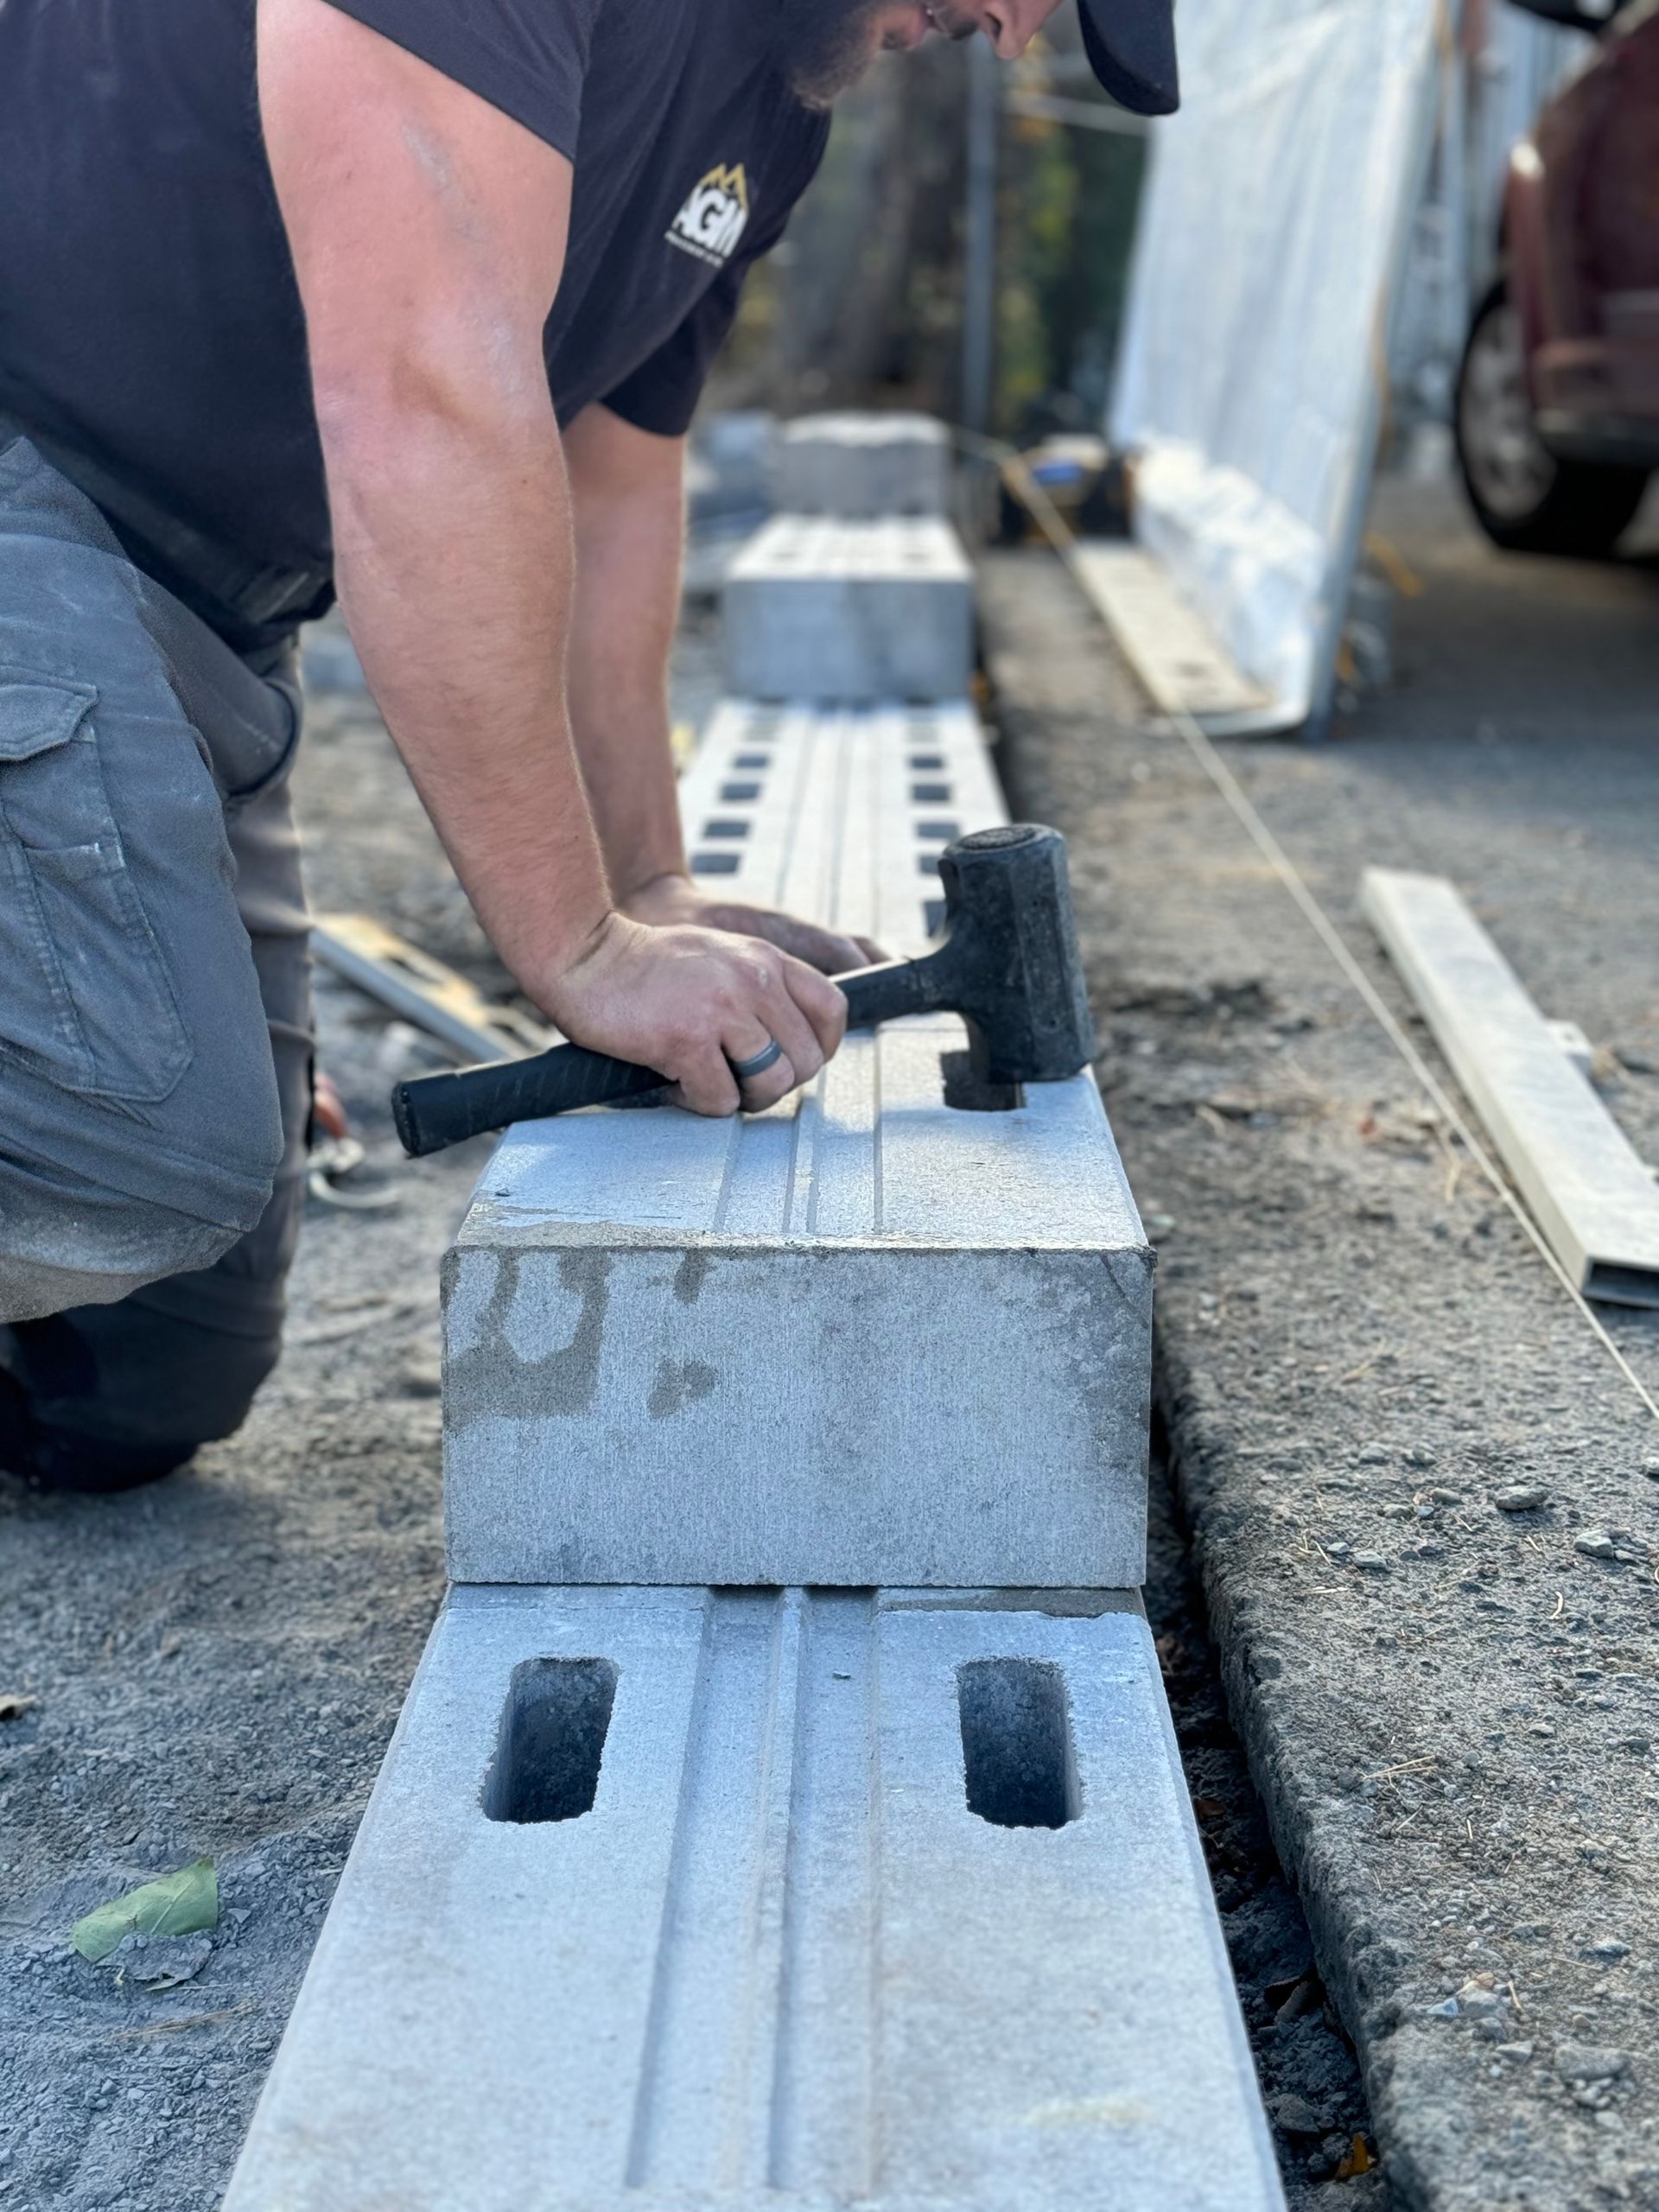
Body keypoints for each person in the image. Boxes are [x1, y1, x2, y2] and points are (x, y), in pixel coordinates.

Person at [0, 0, 1177, 1492]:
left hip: (209, 617)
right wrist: (574, 947)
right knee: (128, 1162)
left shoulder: (772, 102)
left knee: (143, 1379)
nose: (1011, 36)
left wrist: (644, 885)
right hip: (33, 473)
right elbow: (422, 392)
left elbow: (610, 484)